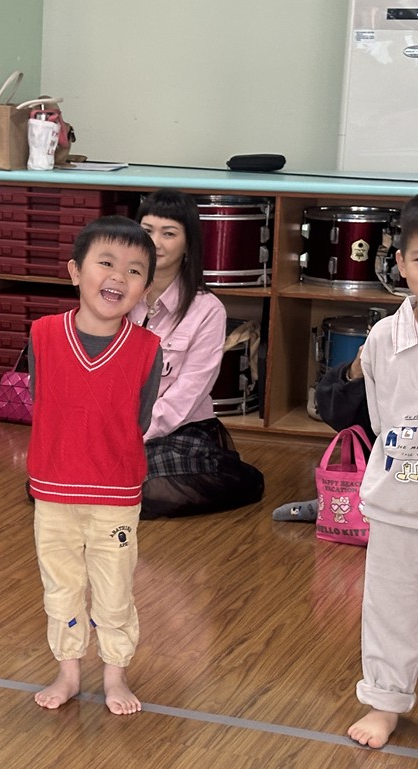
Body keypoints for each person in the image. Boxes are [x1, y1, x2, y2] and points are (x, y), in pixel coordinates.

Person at [27, 216, 162, 713]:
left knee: (114, 590)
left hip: (115, 496)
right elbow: (42, 400)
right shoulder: (43, 335)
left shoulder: (147, 349)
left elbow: (140, 418)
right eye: (106, 263)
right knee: (61, 587)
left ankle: (114, 675)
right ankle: (67, 672)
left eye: (134, 270)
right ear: (74, 271)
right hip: (53, 492)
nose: (118, 277)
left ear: (145, 288)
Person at [129, 189, 263, 518]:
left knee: (146, 489)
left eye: (169, 233)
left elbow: (187, 394)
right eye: (147, 231)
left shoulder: (207, 309)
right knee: (53, 479)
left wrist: (133, 435)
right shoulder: (118, 295)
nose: (155, 242)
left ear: (188, 243)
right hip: (116, 424)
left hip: (178, 429)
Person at [347, 193, 418, 750]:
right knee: (391, 604)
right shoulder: (382, 340)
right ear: (401, 263)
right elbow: (380, 417)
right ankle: (386, 700)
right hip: (401, 495)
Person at [271, 342, 374, 521]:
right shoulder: (387, 338)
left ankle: (350, 507)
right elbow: (336, 415)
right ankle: (342, 504)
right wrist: (354, 374)